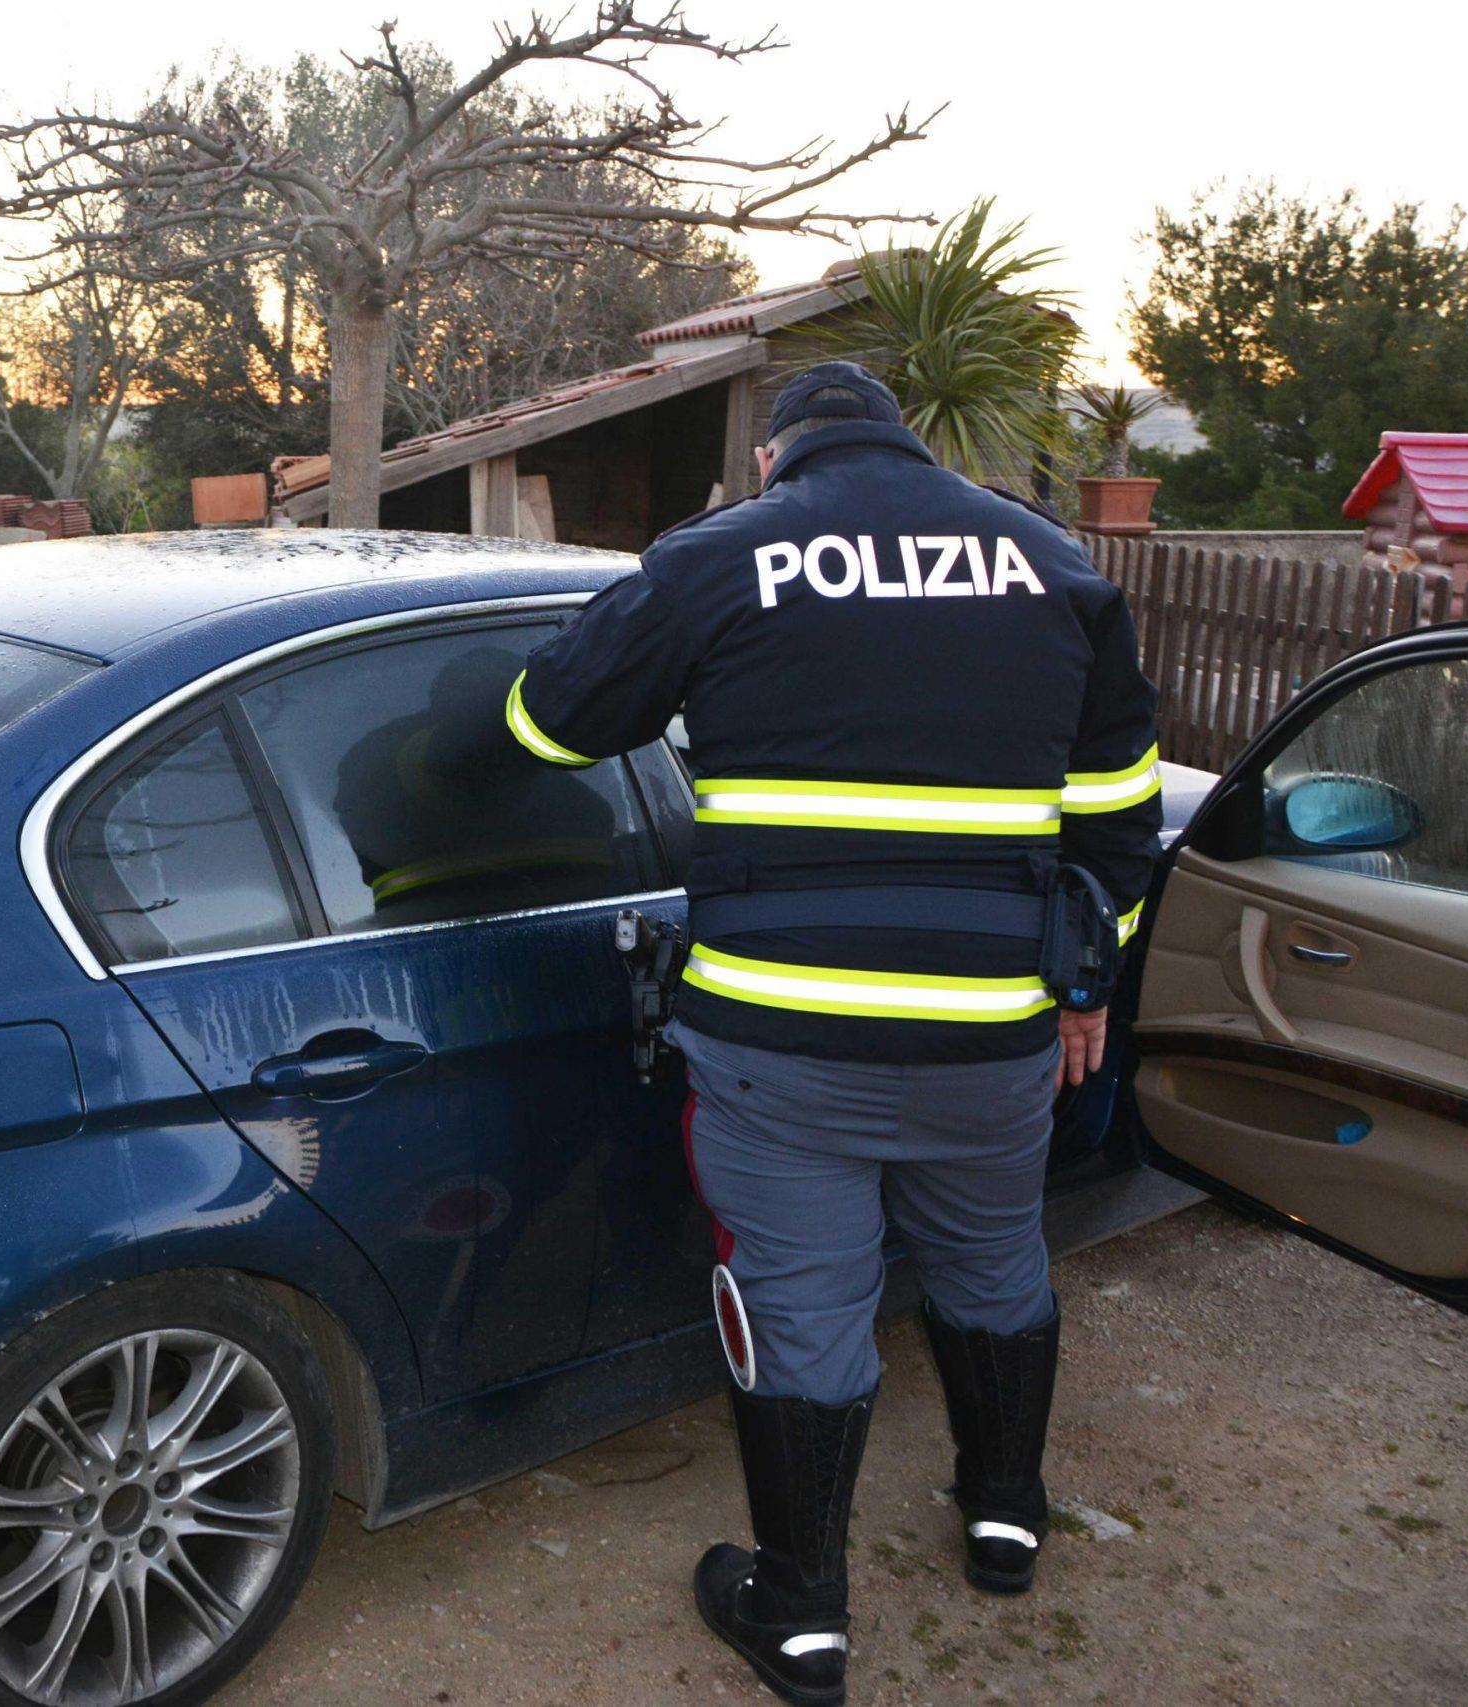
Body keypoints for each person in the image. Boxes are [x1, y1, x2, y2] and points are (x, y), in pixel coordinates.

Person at [504, 362, 1162, 1706]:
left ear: (774, 461)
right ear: (913, 447)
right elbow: (1117, 812)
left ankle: (802, 1617)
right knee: (994, 1264)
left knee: (805, 1309)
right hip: (993, 1039)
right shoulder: (1052, 563)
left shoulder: (724, 555)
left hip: (783, 1047)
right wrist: (1086, 986)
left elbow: (546, 718)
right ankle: (1005, 1517)